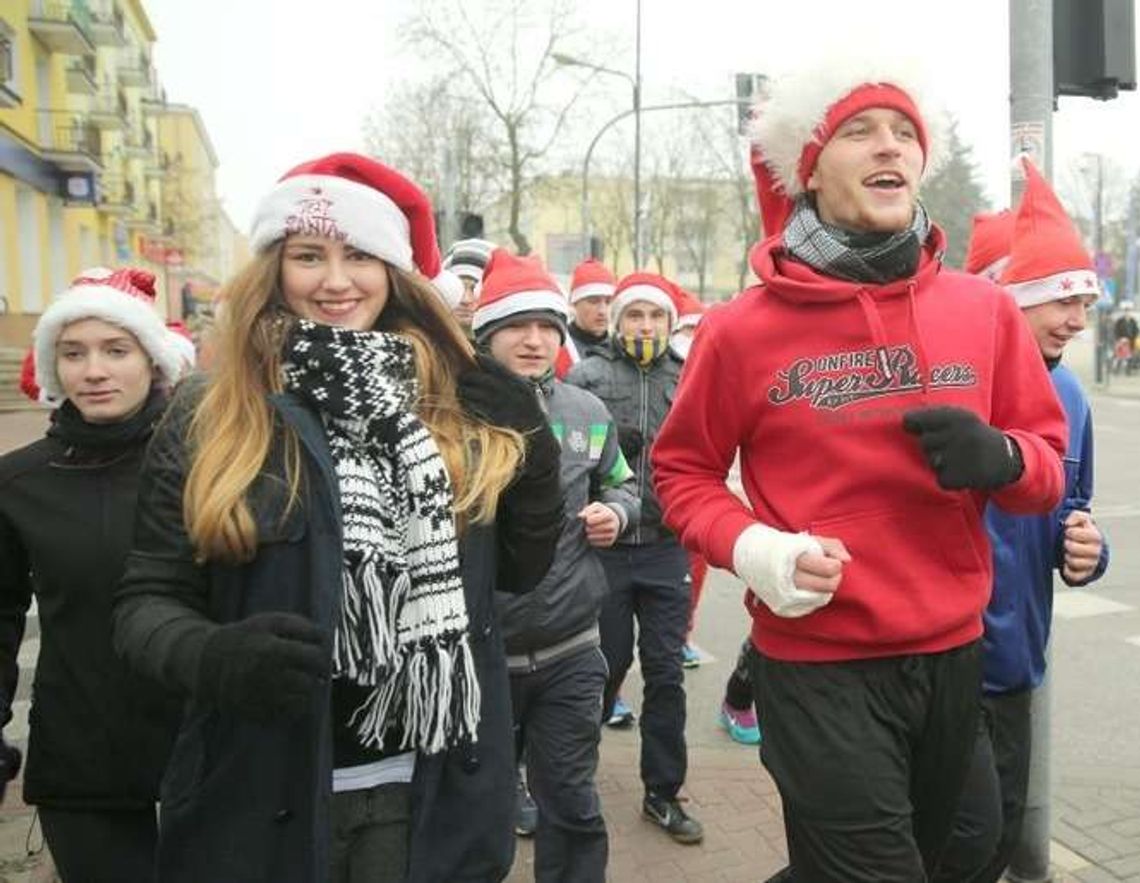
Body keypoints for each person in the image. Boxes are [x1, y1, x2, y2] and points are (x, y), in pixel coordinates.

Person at [651, 53, 1068, 882]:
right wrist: (759, 551)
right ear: (811, 166)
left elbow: (1049, 466)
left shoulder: (982, 311)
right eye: (861, 131)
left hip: (953, 651)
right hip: (818, 663)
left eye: (905, 132)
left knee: (967, 850)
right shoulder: (741, 329)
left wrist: (1004, 456)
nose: (891, 147)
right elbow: (681, 474)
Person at [111, 153, 564, 883]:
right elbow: (144, 603)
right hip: (266, 793)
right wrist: (211, 656)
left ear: (394, 272)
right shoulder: (210, 412)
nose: (335, 280)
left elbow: (519, 569)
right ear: (274, 268)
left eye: (359, 254)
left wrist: (534, 455)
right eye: (308, 255)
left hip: (430, 787)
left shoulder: (454, 401)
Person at [935, 160, 1110, 883]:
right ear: (1015, 297)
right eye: (1062, 299)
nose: (1076, 318)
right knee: (964, 838)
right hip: (944, 657)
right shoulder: (956, 380)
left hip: (1019, 659)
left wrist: (1088, 552)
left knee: (996, 835)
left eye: (1084, 303)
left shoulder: (1071, 397)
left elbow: (1076, 514)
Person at [0, 267, 192, 882]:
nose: (95, 370)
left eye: (116, 350)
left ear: (152, 360)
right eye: (73, 353)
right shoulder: (19, 482)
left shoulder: (210, 462)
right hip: (83, 753)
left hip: (208, 748)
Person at [473, 248, 639, 882]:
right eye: (518, 325)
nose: (535, 340)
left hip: (572, 650)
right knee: (479, 817)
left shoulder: (587, 415)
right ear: (488, 335)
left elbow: (622, 485)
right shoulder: (452, 415)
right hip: (483, 655)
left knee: (571, 805)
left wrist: (616, 514)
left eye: (548, 326)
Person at [566, 272, 703, 845]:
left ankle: (662, 793)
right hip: (609, 553)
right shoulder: (588, 376)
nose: (645, 326)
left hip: (668, 550)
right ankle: (569, 778)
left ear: (670, 323)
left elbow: (706, 450)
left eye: (655, 316)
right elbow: (569, 465)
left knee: (667, 673)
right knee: (606, 666)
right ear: (618, 321)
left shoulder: (689, 376)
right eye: (634, 316)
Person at [564, 258, 617, 366]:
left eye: (608, 302)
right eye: (593, 301)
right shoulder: (560, 350)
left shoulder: (621, 352)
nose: (602, 311)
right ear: (575, 303)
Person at [443, 237, 495, 334]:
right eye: (457, 288)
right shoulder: (422, 344)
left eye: (476, 290)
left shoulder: (511, 345)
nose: (466, 300)